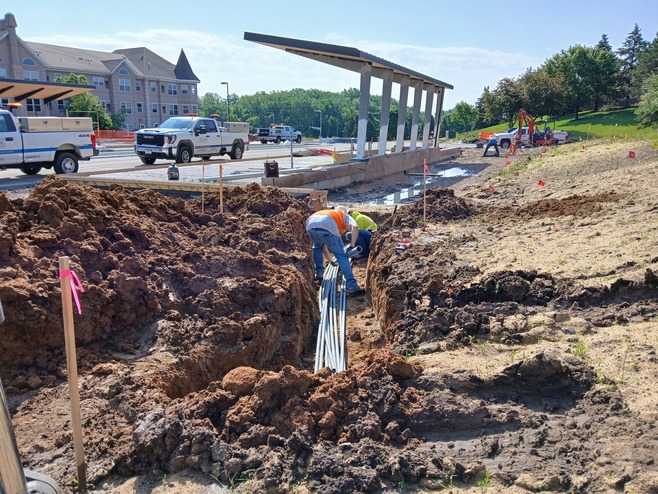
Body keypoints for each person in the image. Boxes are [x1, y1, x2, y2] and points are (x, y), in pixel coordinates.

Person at [306, 206, 365, 295]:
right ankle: (353, 287)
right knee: (341, 256)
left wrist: (331, 261)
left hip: (310, 225)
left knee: (317, 248)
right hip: (327, 225)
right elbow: (355, 227)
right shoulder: (344, 215)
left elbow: (323, 248)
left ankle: (319, 274)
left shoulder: (328, 213)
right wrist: (352, 246)